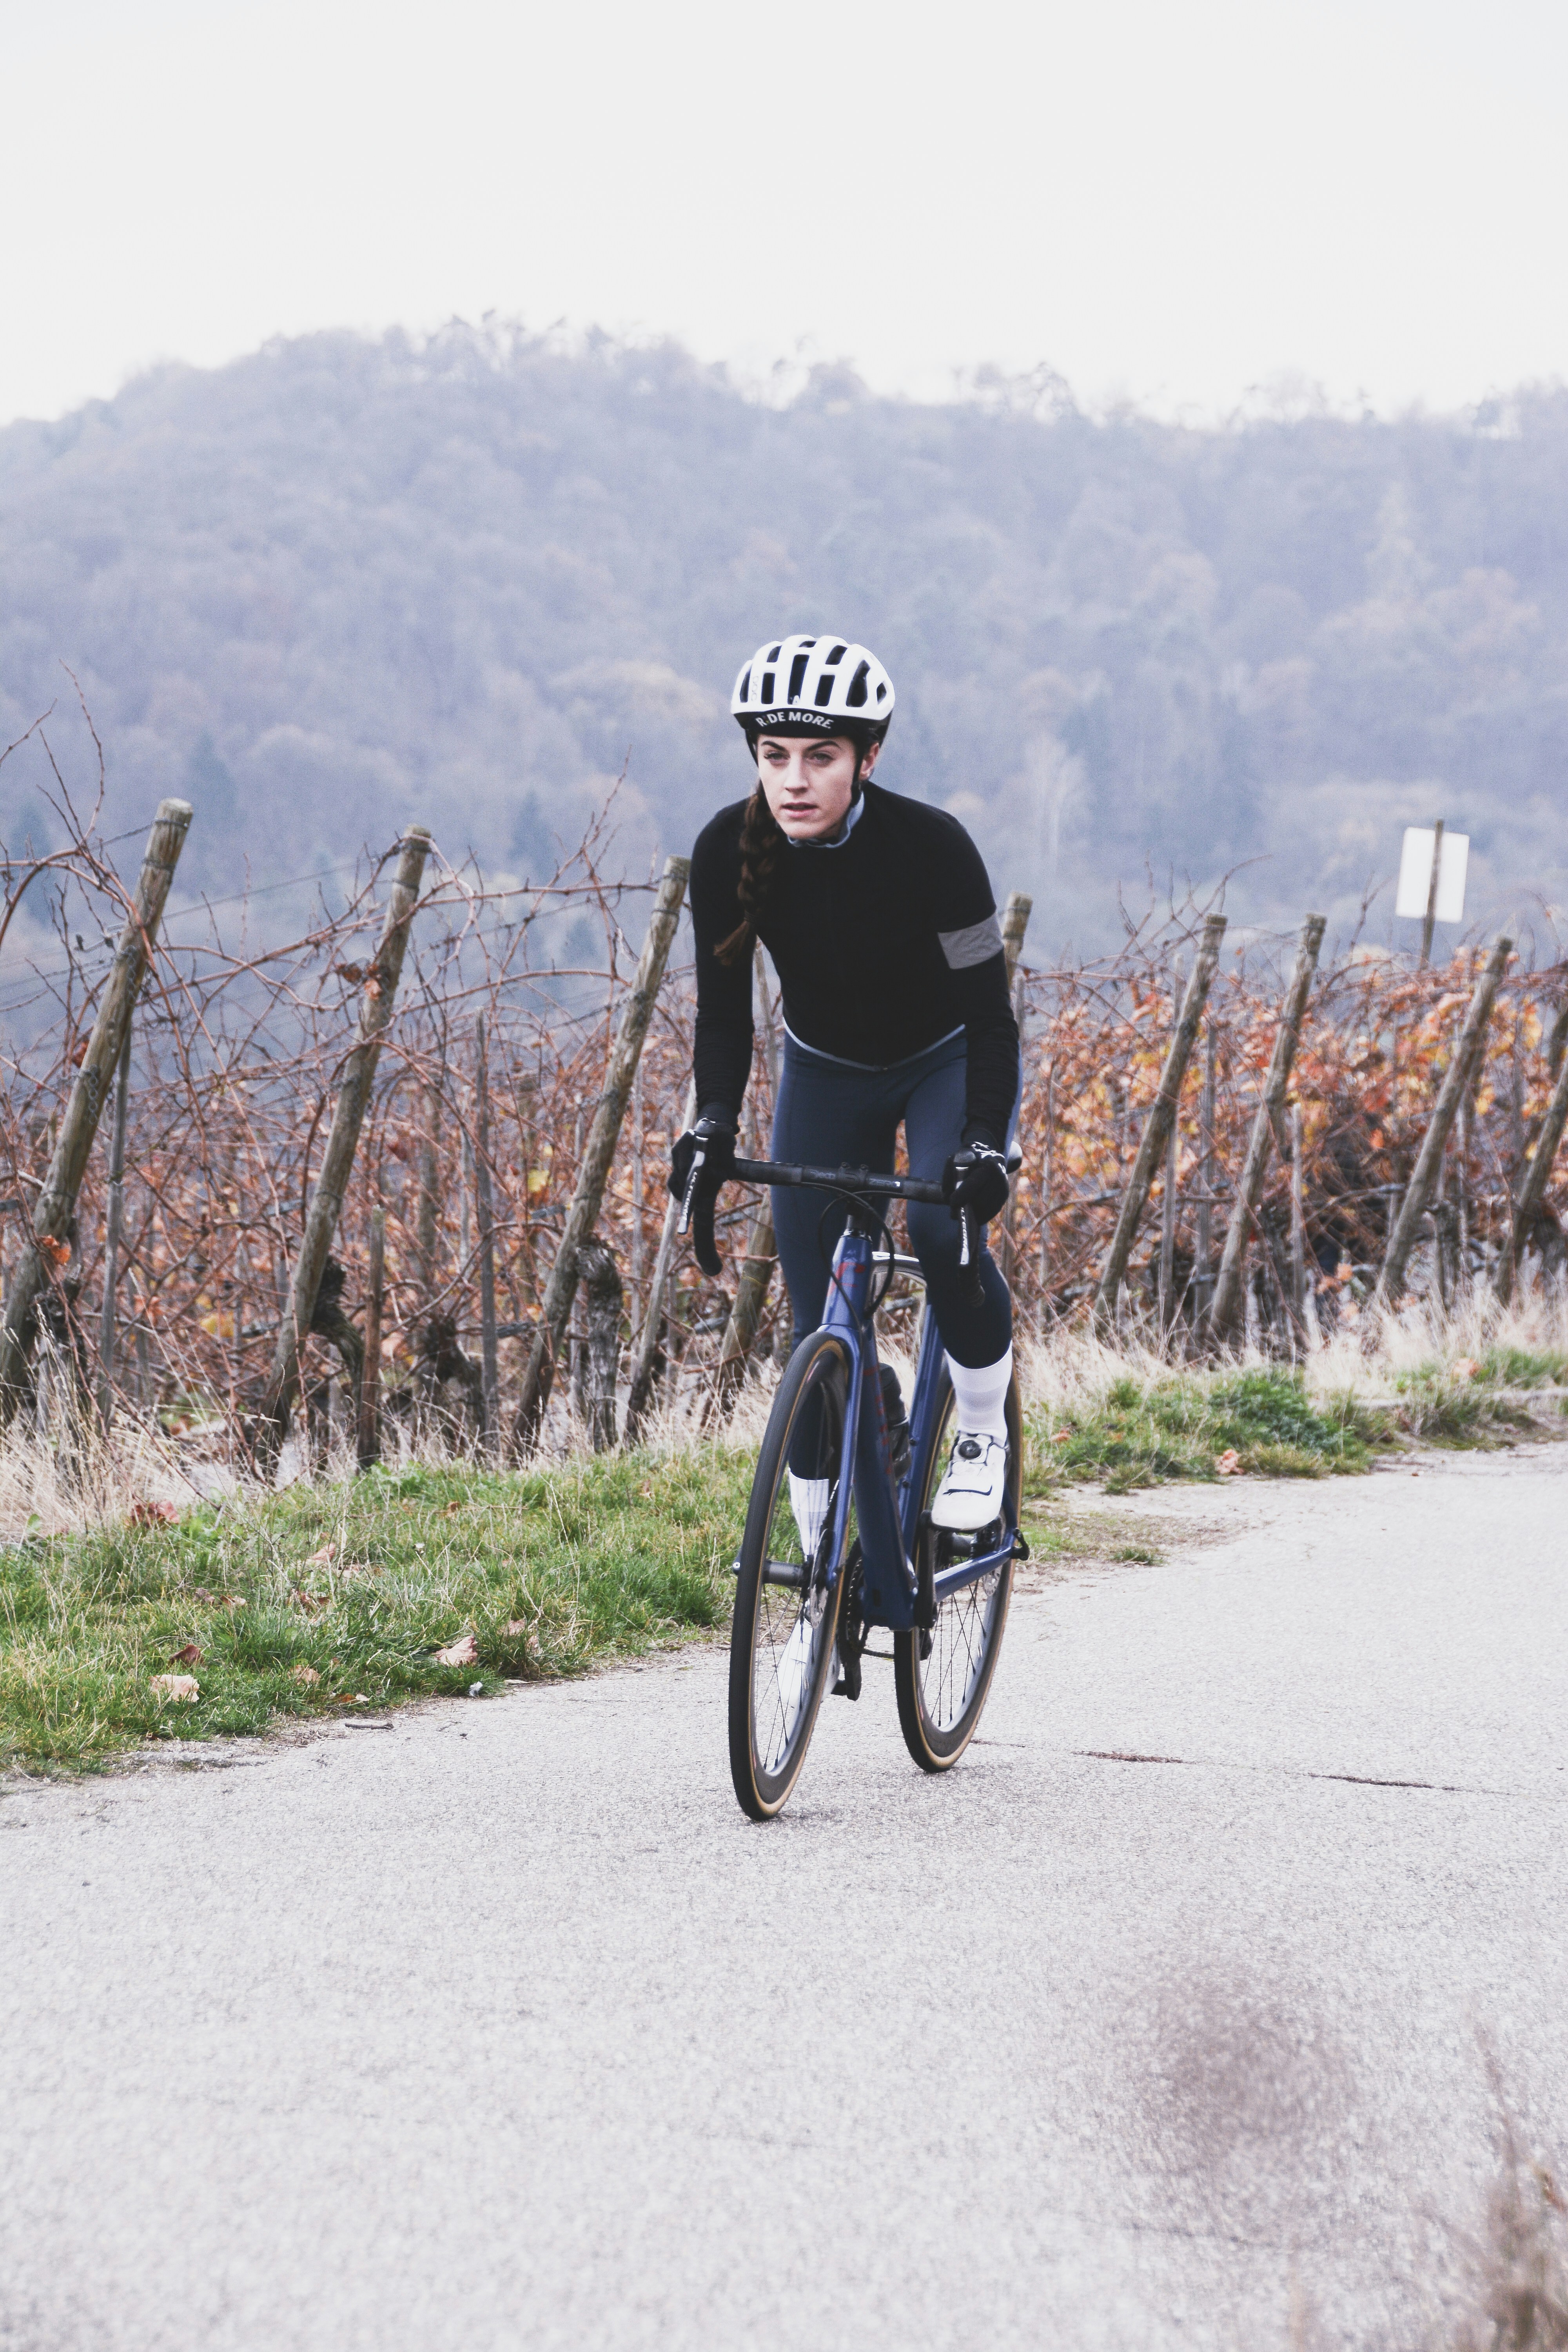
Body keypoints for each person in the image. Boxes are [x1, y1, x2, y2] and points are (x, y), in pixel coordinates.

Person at [670, 632, 1021, 1534]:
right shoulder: (725, 850)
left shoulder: (936, 849)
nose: (793, 780)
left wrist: (984, 1145)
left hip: (944, 1058)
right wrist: (710, 1123)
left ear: (866, 758)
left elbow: (989, 1018)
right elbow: (721, 1017)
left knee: (942, 1231)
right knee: (812, 1323)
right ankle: (812, 1581)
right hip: (825, 1069)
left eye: (819, 757)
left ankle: (981, 1426)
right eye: (773, 756)